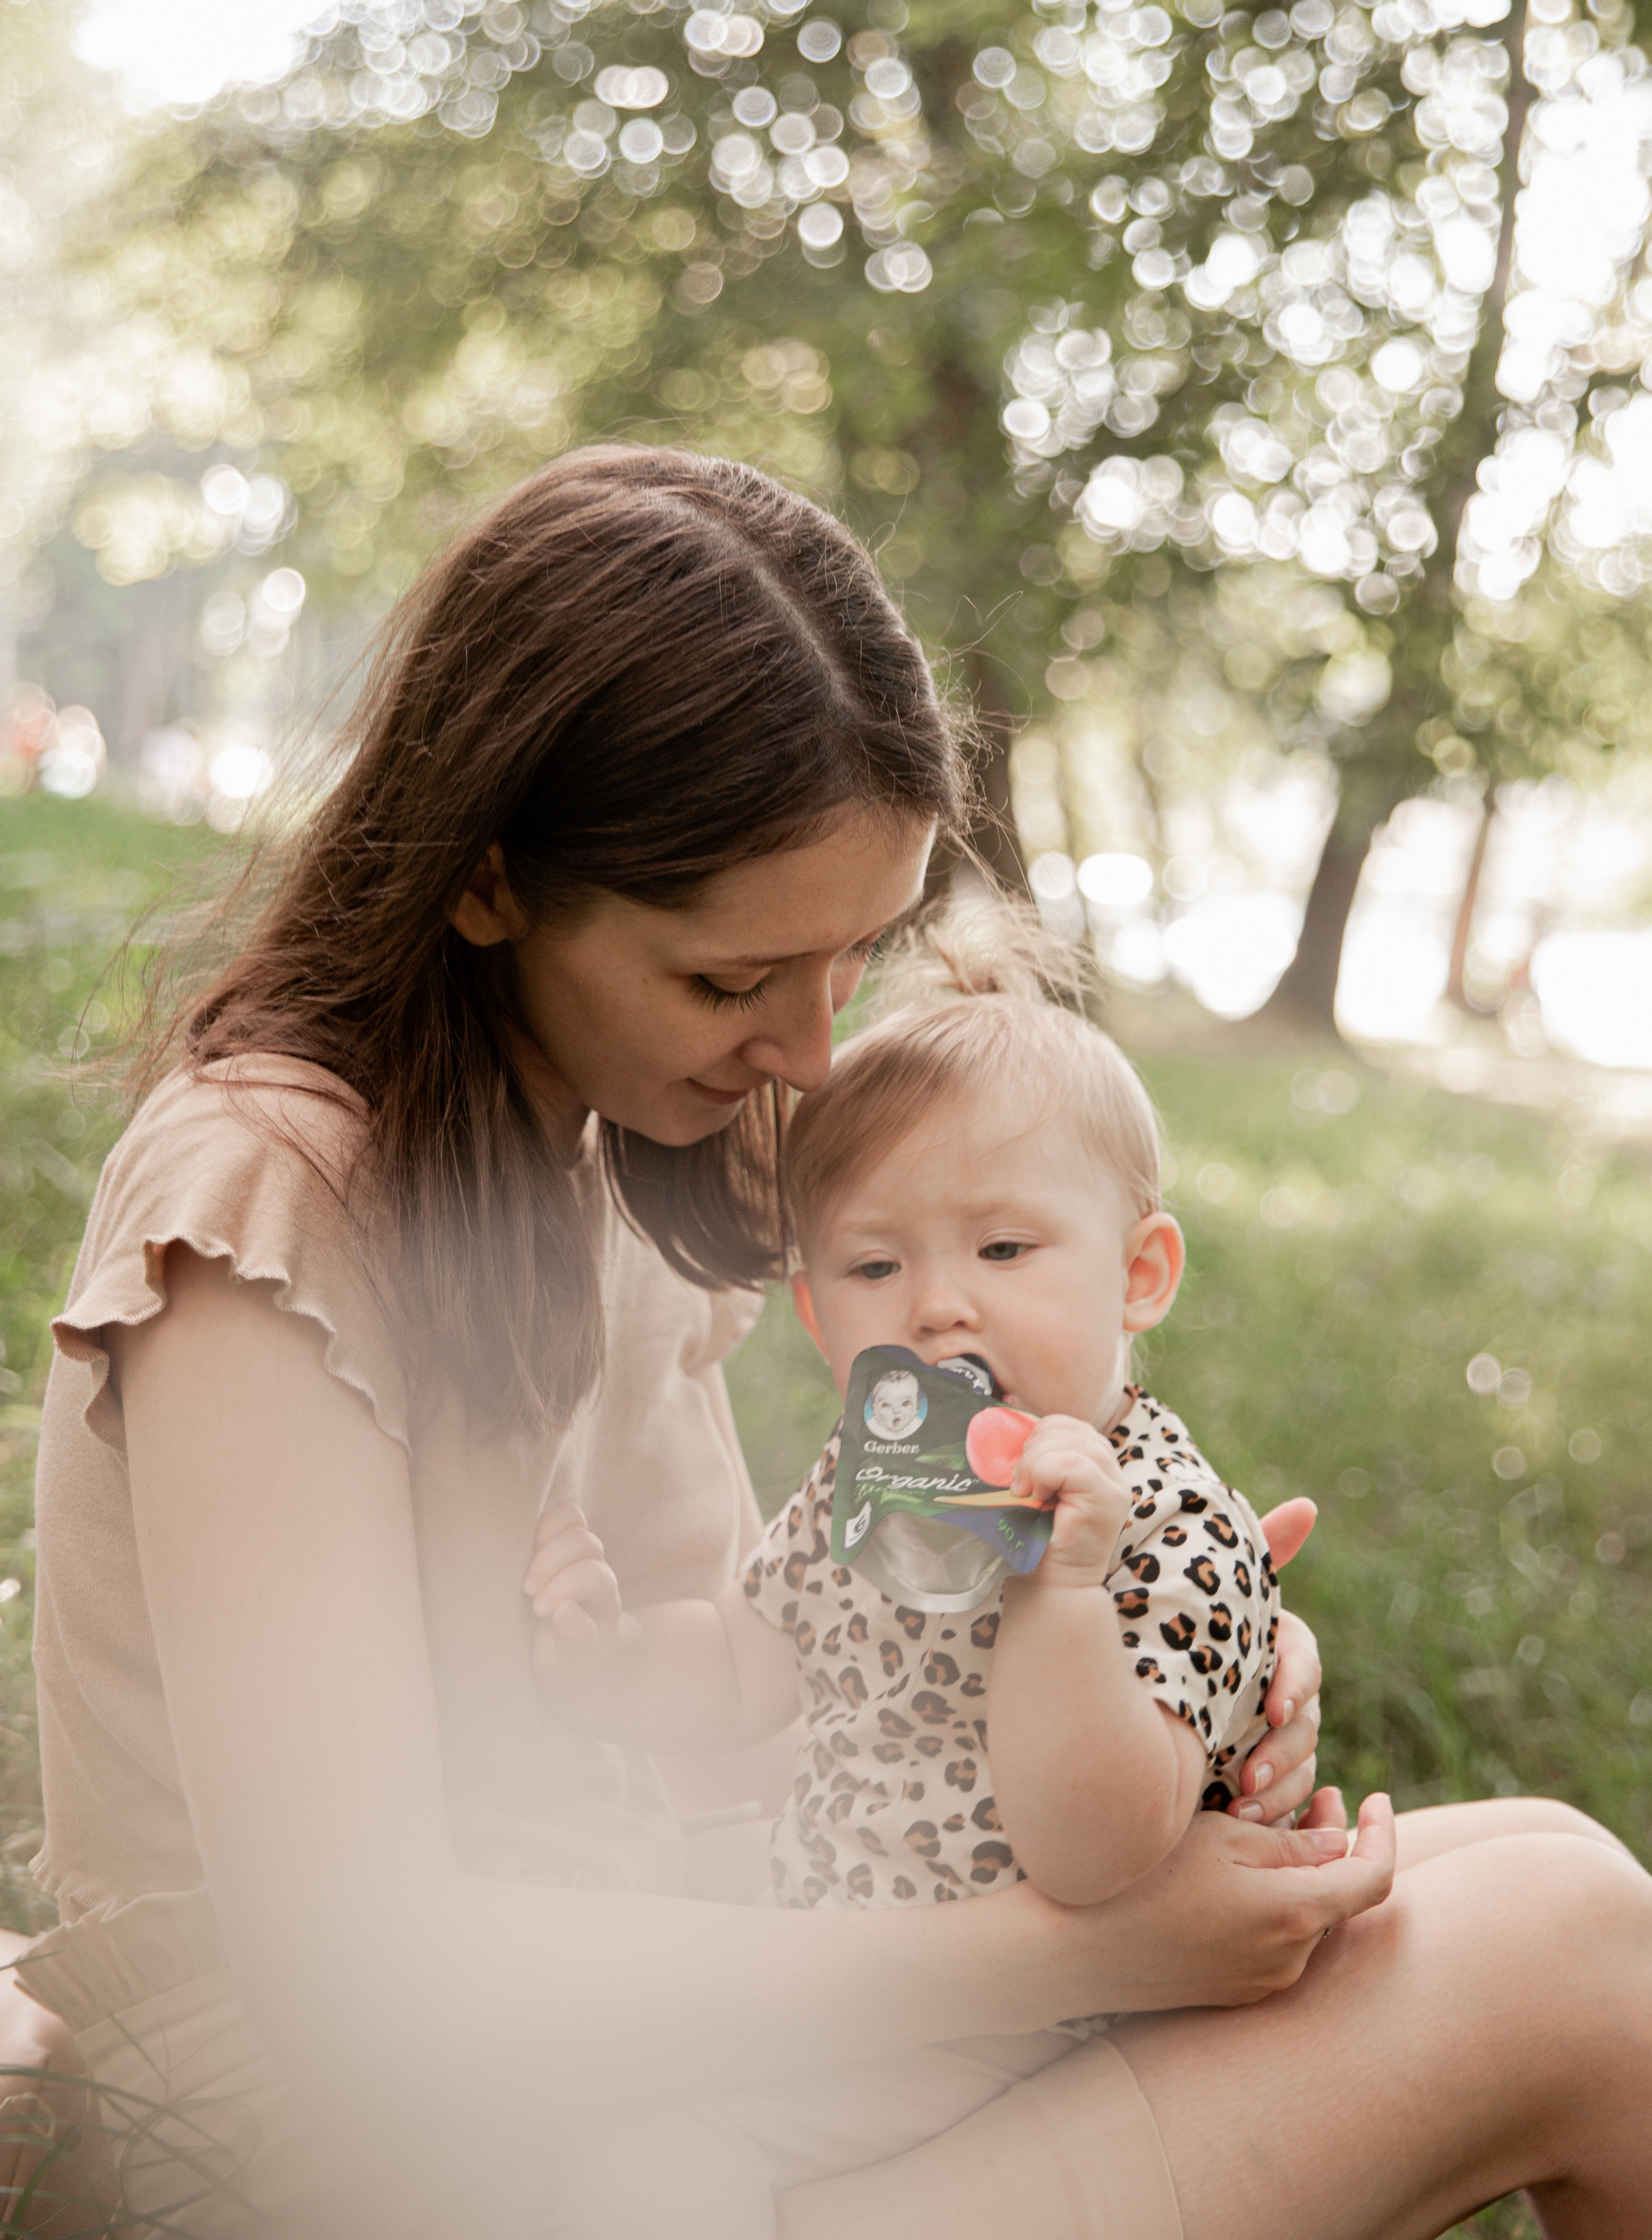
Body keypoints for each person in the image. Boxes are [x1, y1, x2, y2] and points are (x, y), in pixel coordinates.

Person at [14, 447, 1652, 2240]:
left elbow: (780, 1686)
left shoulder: (591, 1145)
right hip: (403, 2156)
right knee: (1575, 1960)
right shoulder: (269, 1201)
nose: (804, 1060)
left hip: (688, 2031)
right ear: (483, 882)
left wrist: (1163, 1665)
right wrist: (1058, 1949)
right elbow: (364, 1984)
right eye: (729, 981)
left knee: (1564, 1868)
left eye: (849, 959)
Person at [524, 908, 1287, 2237]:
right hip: (866, 1969)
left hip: (1042, 2021)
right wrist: (615, 1664)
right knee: (584, 2102)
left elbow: (1099, 1850)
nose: (937, 1305)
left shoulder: (1172, 1531)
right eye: (876, 1265)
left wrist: (1058, 1584)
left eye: (1002, 1250)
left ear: (1139, 1273)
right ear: (819, 1313)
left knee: (653, 2143)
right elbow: (753, 1655)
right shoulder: (878, 1472)